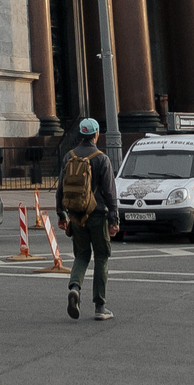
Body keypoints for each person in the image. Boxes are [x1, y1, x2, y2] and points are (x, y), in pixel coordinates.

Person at [54, 117, 118, 320]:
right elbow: (110, 192)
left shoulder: (69, 156)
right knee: (101, 257)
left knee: (81, 256)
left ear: (81, 135)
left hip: (76, 217)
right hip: (98, 216)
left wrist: (61, 214)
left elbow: (60, 189)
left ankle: (75, 288)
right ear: (96, 134)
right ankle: (100, 307)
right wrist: (114, 219)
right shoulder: (101, 158)